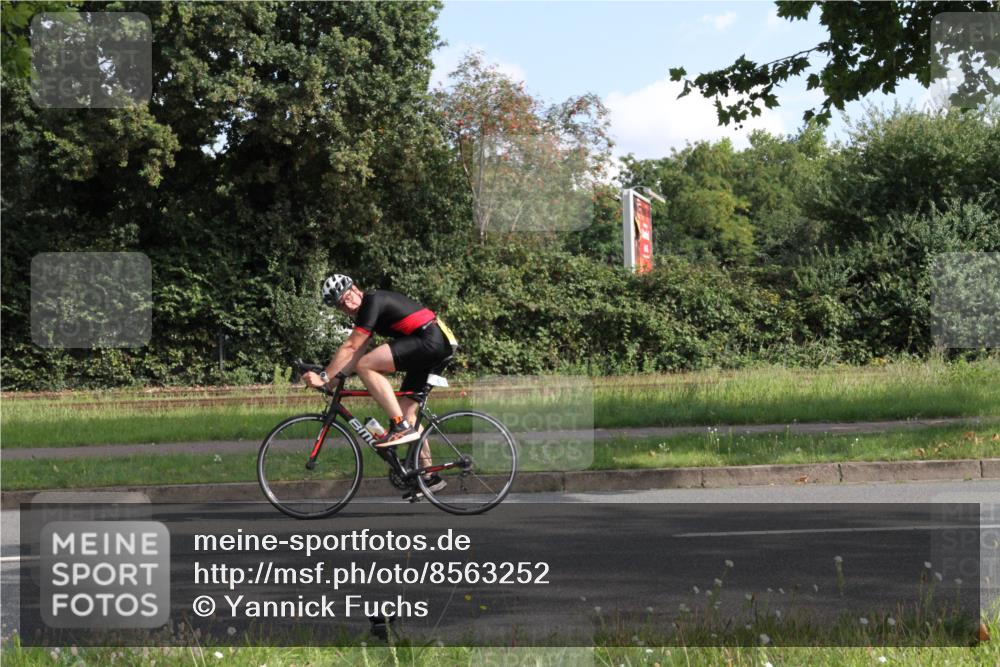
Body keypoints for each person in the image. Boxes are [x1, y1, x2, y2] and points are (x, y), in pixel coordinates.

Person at [302, 274, 458, 492]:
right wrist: (333, 381)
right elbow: (354, 356)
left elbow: (350, 348)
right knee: (407, 412)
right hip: (435, 344)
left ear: (355, 289)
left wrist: (324, 377)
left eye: (347, 298)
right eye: (341, 306)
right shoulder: (366, 314)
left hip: (429, 339)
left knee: (367, 366)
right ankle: (429, 476)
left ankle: (399, 425)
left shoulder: (372, 301)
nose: (348, 306)